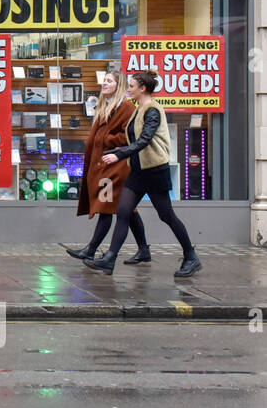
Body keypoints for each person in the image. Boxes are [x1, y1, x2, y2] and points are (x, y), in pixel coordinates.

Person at [83, 70, 201, 278]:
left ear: (142, 88)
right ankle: (110, 259)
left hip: (155, 172)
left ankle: (191, 256)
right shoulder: (138, 109)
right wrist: (117, 152)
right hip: (138, 171)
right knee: (123, 212)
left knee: (167, 216)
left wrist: (119, 155)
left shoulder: (152, 110)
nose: (128, 89)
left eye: (131, 86)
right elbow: (132, 139)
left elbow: (145, 139)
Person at [65, 69, 150, 264]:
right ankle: (144, 249)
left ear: (118, 86)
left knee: (105, 207)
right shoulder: (105, 106)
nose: (104, 84)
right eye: (104, 80)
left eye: (109, 81)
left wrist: (107, 139)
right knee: (127, 210)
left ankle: (91, 249)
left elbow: (130, 135)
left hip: (115, 166)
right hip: (104, 164)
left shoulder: (126, 108)